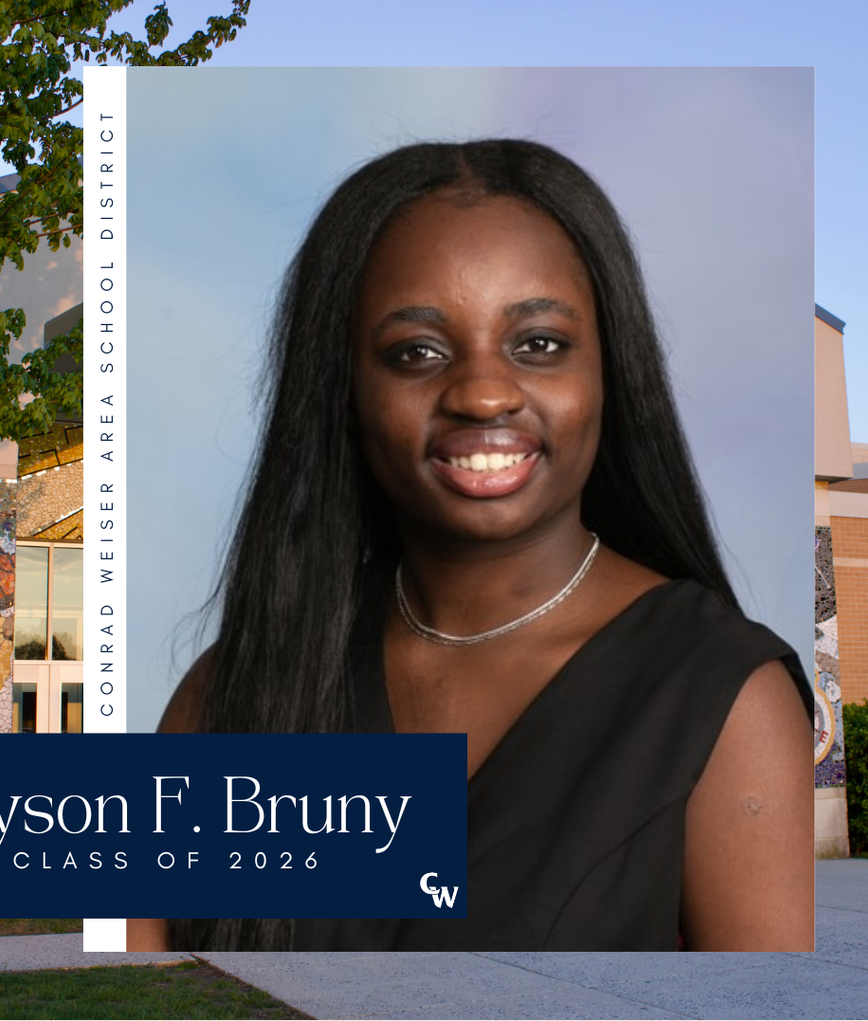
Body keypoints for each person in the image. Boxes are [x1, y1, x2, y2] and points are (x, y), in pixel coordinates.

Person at [129, 139, 813, 952]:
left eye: (540, 344)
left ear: (609, 373)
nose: (484, 391)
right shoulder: (234, 693)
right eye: (415, 353)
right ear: (343, 390)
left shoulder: (726, 704)